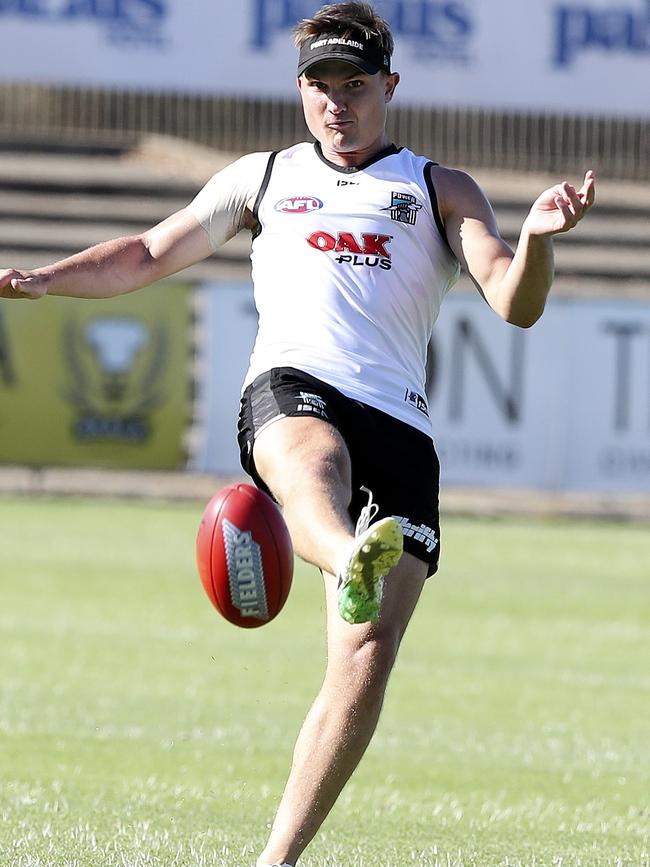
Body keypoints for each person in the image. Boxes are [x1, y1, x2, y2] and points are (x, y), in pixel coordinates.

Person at [1, 3, 595, 863]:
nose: (336, 102)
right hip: (294, 383)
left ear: (389, 86)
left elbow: (516, 301)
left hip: (399, 426)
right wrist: (45, 279)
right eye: (320, 85)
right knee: (312, 463)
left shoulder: (438, 189)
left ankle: (275, 859)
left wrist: (537, 237)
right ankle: (347, 553)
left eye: (354, 84)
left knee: (362, 670)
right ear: (300, 88)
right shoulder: (265, 176)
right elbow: (146, 251)